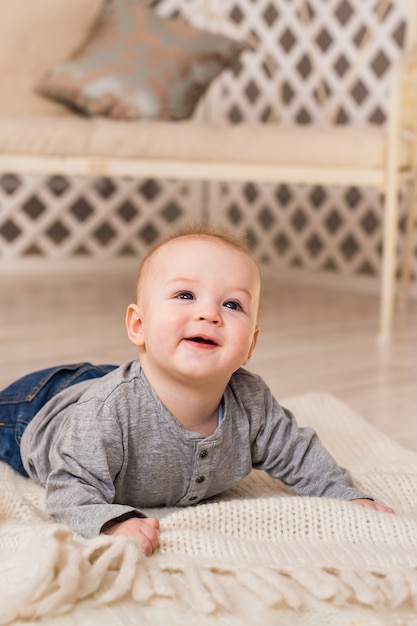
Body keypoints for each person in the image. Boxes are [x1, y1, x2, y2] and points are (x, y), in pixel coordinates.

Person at [0, 224, 394, 556]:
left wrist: (342, 493)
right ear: (138, 326)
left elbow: (298, 453)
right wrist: (111, 521)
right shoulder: (107, 414)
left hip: (126, 378)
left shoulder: (251, 402)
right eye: (185, 295)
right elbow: (69, 487)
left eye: (233, 304)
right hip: (36, 409)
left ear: (251, 345)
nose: (209, 313)